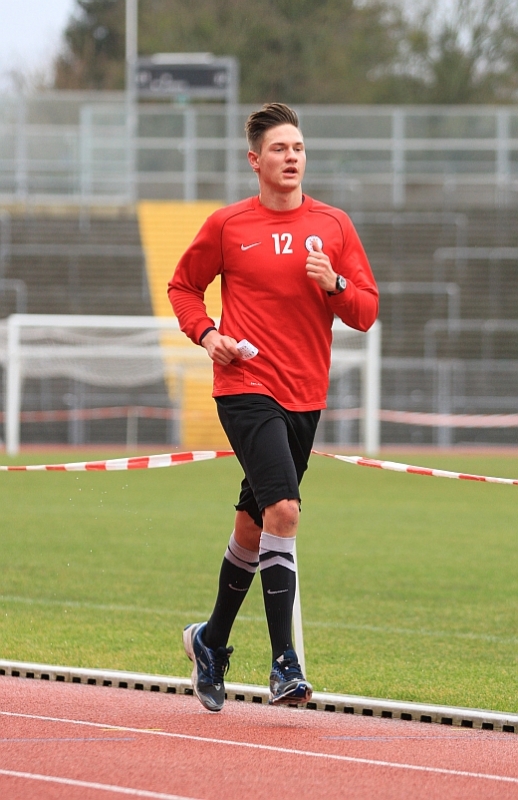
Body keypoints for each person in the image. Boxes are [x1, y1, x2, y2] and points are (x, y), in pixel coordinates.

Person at [168, 102, 378, 713]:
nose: (291, 157)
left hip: (305, 394)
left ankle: (209, 641)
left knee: (255, 524)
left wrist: (335, 284)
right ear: (255, 161)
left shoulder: (334, 226)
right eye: (280, 149)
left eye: (299, 147)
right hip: (245, 385)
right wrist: (209, 335)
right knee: (284, 509)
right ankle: (286, 662)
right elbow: (184, 287)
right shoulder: (228, 225)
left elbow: (365, 312)